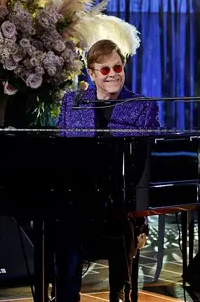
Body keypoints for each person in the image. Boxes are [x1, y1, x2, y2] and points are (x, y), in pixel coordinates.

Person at [54, 39, 158, 302]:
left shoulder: (142, 105)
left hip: (122, 194)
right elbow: (61, 149)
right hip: (79, 194)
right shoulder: (72, 102)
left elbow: (145, 158)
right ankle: (65, 295)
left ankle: (119, 293)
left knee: (120, 218)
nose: (113, 74)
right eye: (105, 70)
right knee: (60, 220)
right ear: (91, 73)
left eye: (118, 67)